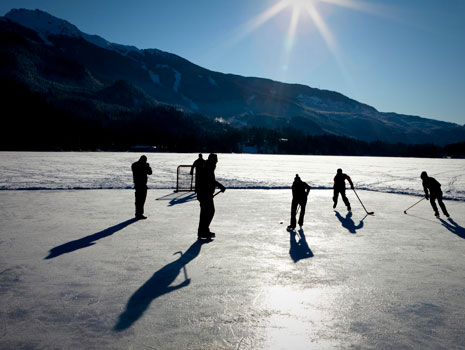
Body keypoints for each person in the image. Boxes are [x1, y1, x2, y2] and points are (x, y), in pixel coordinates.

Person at [195, 153, 225, 238]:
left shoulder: (208, 166)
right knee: (209, 212)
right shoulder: (207, 167)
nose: (216, 163)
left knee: (206, 212)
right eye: (215, 161)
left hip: (205, 194)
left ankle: (203, 230)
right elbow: (211, 181)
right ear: (212, 160)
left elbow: (211, 180)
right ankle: (203, 231)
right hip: (204, 194)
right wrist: (220, 186)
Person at [131, 155, 152, 219]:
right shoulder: (139, 165)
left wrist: (147, 167)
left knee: (140, 200)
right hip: (140, 184)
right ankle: (139, 213)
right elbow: (149, 172)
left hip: (140, 184)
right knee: (140, 200)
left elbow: (150, 173)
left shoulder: (135, 164)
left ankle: (139, 213)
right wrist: (147, 166)